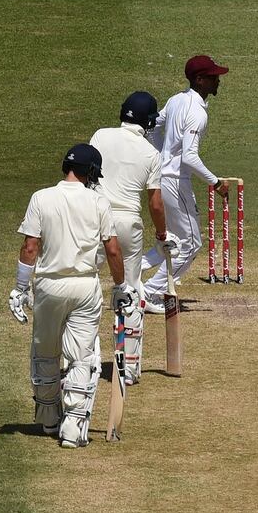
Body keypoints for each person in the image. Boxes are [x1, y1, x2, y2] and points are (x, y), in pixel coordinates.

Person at [7, 144, 139, 448]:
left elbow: (30, 247)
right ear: (90, 171)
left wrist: (19, 288)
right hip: (84, 286)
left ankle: (50, 419)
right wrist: (121, 287)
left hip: (49, 286)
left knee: (45, 352)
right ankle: (73, 428)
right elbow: (113, 249)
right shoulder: (98, 202)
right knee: (82, 356)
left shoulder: (41, 198)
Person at [90, 92, 180, 384]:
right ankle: (128, 368)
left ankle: (82, 360)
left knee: (85, 285)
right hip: (127, 224)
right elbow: (155, 203)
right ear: (149, 122)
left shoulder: (100, 136)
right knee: (130, 291)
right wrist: (163, 235)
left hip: (95, 217)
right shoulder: (150, 154)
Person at [141, 55, 231, 312]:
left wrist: (161, 155)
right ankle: (149, 293)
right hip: (176, 181)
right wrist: (215, 183)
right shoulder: (196, 113)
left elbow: (151, 128)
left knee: (173, 241)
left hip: (166, 177)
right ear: (200, 80)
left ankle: (134, 275)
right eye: (213, 77)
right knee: (191, 244)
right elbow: (190, 157)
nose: (218, 81)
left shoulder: (176, 100)